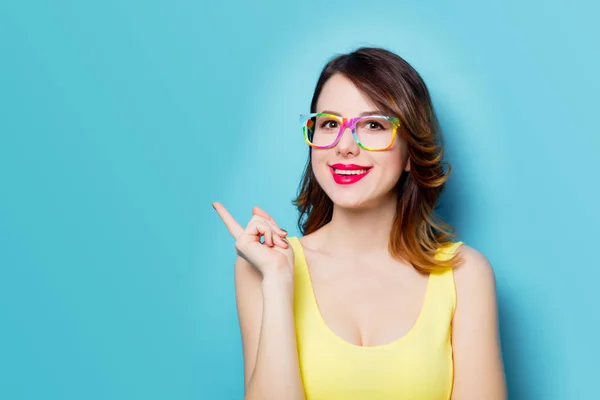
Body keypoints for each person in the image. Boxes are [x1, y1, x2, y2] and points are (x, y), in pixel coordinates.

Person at [213, 47, 507, 400]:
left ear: (412, 153)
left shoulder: (465, 275)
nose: (345, 146)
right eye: (330, 124)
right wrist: (277, 281)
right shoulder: (262, 269)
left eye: (373, 125)